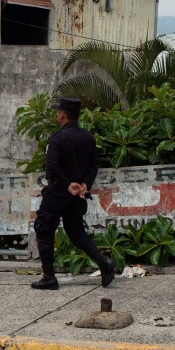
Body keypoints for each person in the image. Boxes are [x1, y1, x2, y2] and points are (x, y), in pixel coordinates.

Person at [32, 97, 115, 290]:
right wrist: (84, 185)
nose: (56, 115)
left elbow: (52, 168)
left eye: (57, 112)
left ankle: (49, 277)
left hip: (58, 192)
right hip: (78, 196)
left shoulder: (57, 138)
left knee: (44, 230)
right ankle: (104, 263)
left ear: (62, 114)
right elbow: (94, 166)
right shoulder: (88, 138)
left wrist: (67, 184)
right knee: (77, 233)